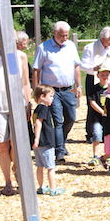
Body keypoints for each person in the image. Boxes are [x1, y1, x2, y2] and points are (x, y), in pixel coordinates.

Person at [0, 42, 32, 196]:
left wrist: (28, 103)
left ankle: (16, 167)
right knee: (2, 144)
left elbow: (25, 82)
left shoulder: (20, 56)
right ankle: (8, 181)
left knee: (16, 143)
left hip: (18, 105)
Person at [32, 21, 82, 162]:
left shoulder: (71, 46)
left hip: (68, 89)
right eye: (62, 35)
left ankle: (61, 141)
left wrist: (79, 85)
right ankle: (59, 150)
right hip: (51, 91)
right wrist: (37, 90)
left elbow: (76, 66)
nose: (64, 38)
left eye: (66, 35)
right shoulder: (43, 48)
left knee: (71, 118)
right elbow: (36, 70)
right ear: (54, 33)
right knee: (58, 121)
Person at [32, 85, 65, 196]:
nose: (52, 98)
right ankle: (53, 188)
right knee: (50, 167)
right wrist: (37, 138)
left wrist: (36, 140)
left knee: (40, 166)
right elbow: (38, 123)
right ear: (42, 96)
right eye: (50, 96)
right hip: (45, 141)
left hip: (39, 143)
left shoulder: (37, 109)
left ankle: (41, 187)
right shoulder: (44, 108)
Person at [86, 67, 110, 167]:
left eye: (106, 75)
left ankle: (107, 156)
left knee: (108, 137)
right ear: (98, 75)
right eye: (102, 75)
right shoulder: (94, 89)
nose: (105, 77)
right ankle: (95, 156)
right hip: (97, 117)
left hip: (109, 118)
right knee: (97, 134)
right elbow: (91, 102)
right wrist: (102, 112)